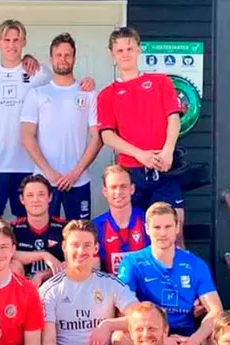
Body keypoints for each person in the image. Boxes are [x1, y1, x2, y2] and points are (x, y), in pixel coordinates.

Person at [40, 220, 137, 345]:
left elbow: (141, 316)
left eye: (87, 245)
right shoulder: (50, 290)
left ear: (96, 248)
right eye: (75, 245)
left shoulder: (109, 283)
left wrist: (108, 325)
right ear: (64, 247)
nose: (81, 251)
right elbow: (48, 343)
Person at [97, 27, 185, 230]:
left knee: (175, 230)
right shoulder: (107, 94)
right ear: (112, 54)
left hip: (164, 166)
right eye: (119, 51)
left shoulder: (160, 82)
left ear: (139, 49)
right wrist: (140, 155)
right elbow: (107, 136)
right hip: (130, 171)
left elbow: (174, 118)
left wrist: (168, 151)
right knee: (135, 230)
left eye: (129, 48)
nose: (125, 54)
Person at [118, 202, 222, 345]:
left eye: (168, 226)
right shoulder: (132, 263)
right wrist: (161, 339)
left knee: (220, 339)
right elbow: (123, 310)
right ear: (147, 229)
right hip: (149, 331)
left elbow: (216, 310)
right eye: (157, 227)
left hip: (187, 335)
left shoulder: (195, 263)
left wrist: (195, 340)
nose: (163, 233)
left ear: (177, 228)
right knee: (120, 338)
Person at [20, 32, 101, 221]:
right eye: (59, 55)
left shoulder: (89, 93)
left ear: (74, 58)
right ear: (51, 58)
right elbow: (27, 136)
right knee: (45, 238)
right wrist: (49, 173)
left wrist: (75, 173)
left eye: (67, 55)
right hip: (44, 181)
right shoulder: (37, 94)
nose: (63, 59)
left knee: (80, 237)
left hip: (79, 180)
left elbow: (97, 137)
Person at [0, 19, 51, 218]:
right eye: (6, 40)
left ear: (23, 42)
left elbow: (64, 87)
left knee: (27, 221)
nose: (11, 45)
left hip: (27, 162)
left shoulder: (40, 74)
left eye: (16, 40)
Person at [10, 175, 65, 287]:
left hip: (57, 286)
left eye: (41, 194)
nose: (35, 200)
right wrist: (44, 255)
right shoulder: (13, 228)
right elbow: (5, 253)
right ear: (22, 199)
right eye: (30, 195)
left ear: (50, 197)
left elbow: (75, 259)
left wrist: (43, 275)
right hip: (23, 286)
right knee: (12, 265)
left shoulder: (65, 228)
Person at [92, 165, 148, 275]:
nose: (118, 192)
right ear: (105, 192)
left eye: (123, 186)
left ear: (132, 189)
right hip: (110, 289)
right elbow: (94, 272)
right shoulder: (95, 227)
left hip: (145, 289)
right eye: (113, 187)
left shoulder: (147, 221)